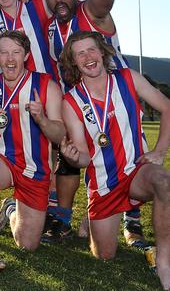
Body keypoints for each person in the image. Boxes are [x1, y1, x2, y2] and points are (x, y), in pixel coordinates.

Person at [43, 0, 138, 244]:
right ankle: (64, 220)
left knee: (127, 155)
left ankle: (132, 221)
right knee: (72, 156)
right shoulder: (49, 28)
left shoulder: (91, 11)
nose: (59, 0)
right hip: (80, 103)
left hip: (116, 97)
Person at [58, 31, 170, 289]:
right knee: (104, 255)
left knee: (163, 180)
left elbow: (166, 106)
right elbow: (85, 155)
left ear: (102, 52)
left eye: (92, 50)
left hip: (135, 171)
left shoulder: (128, 78)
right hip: (103, 183)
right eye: (80, 53)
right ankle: (92, 218)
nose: (88, 57)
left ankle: (164, 259)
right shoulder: (71, 101)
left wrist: (160, 150)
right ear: (74, 62)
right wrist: (73, 157)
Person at [0, 31, 65, 272]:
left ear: (26, 55)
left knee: (27, 244)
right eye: (4, 52)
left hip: (36, 169)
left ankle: (9, 209)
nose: (10, 58)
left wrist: (41, 119)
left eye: (16, 52)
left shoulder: (46, 85)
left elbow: (59, 135)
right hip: (4, 162)